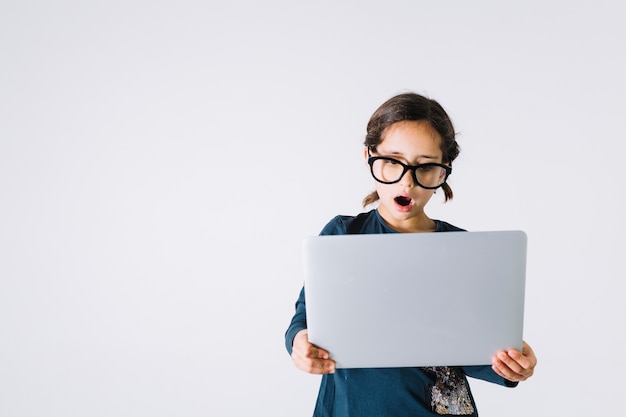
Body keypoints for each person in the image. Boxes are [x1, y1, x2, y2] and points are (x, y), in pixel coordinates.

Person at [284, 92, 537, 416]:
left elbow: (473, 345)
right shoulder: (343, 235)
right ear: (369, 156)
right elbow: (304, 318)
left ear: (443, 172)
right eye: (392, 161)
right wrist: (300, 343)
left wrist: (512, 361)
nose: (407, 182)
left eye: (425, 166)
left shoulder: (464, 251)